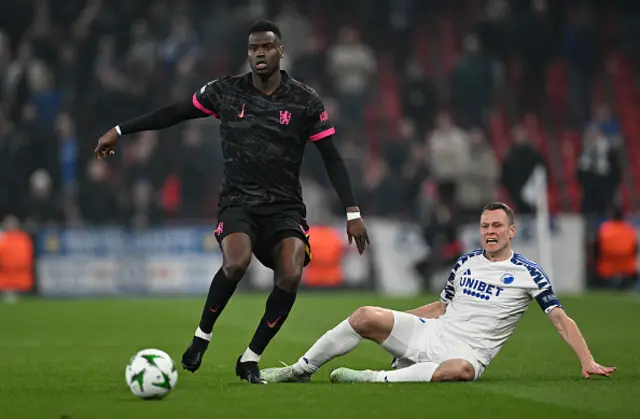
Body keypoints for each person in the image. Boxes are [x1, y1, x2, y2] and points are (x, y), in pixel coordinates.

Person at [93, 21, 370, 384]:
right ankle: (201, 337)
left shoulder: (304, 100)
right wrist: (120, 130)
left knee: (291, 274)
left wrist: (353, 213)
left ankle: (250, 358)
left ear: (280, 52)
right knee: (236, 263)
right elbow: (175, 113)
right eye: (253, 48)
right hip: (238, 202)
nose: (259, 53)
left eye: (266, 47)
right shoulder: (225, 92)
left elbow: (332, 158)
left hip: (285, 207)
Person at [261, 202, 615, 383]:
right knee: (365, 315)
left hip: (467, 351)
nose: (489, 232)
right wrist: (398, 324)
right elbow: (442, 307)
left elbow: (560, 319)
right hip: (434, 332)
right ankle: (299, 369)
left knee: (459, 370)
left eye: (496, 226)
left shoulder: (529, 273)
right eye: (484, 226)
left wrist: (587, 361)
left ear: (511, 231)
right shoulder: (466, 263)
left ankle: (370, 378)